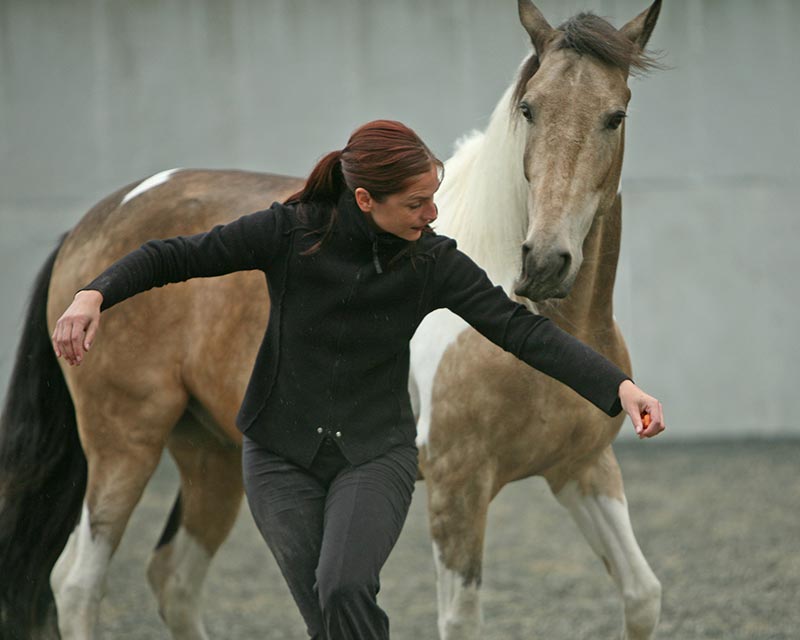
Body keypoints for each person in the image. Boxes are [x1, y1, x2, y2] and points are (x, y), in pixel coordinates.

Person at [52, 119, 665, 639]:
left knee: (344, 586)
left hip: (375, 453)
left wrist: (617, 387)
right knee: (327, 616)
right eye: (417, 203)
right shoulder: (287, 233)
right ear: (366, 200)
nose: (433, 214)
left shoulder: (433, 260)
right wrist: (92, 294)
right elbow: (174, 256)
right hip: (277, 453)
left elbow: (520, 328)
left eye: (436, 198)